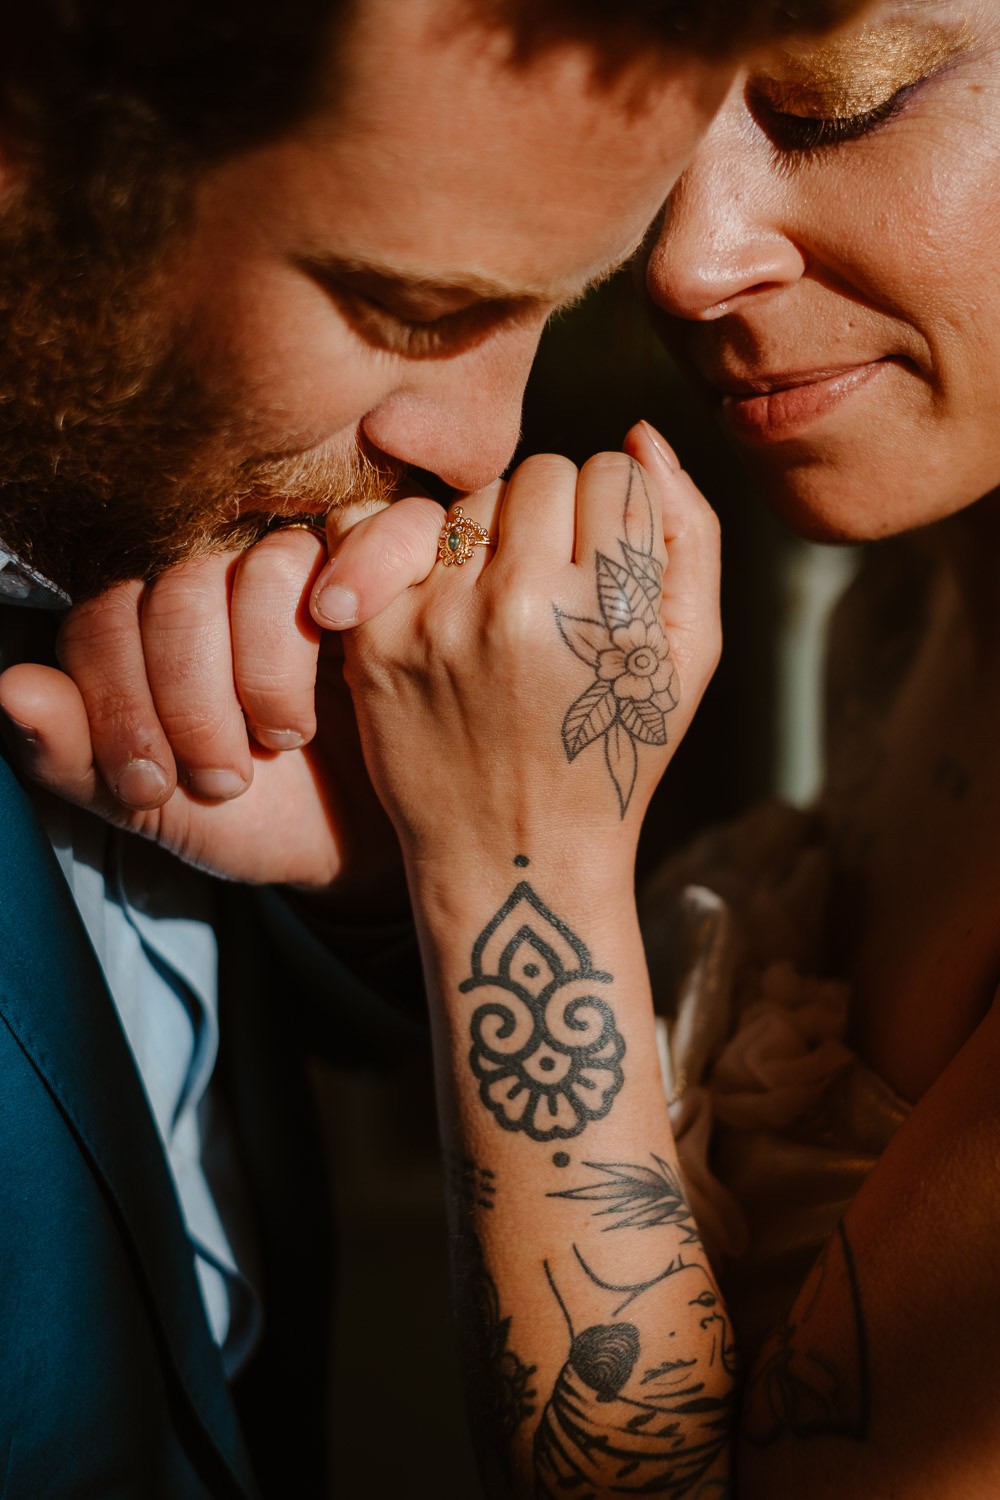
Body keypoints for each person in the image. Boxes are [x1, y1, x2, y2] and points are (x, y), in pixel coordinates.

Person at [49, 0, 997, 1493]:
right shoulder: (912, 603)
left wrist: (515, 870)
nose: (685, 266)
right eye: (666, 148)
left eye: (833, 109)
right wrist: (397, 855)